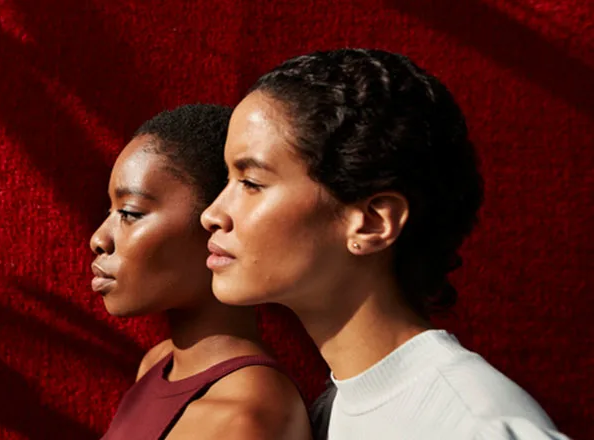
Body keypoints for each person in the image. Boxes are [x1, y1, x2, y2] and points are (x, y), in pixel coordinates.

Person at [200, 49, 569, 439]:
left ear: (373, 222)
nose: (212, 213)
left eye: (252, 183)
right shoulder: (334, 410)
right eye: (227, 179)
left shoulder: (478, 427)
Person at [90, 104, 310, 440]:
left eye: (130, 213)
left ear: (216, 221)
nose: (99, 239)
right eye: (111, 211)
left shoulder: (246, 417)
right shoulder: (159, 364)